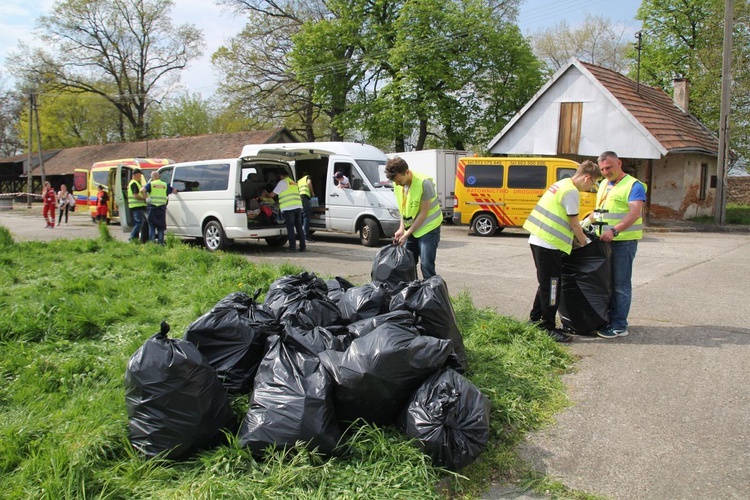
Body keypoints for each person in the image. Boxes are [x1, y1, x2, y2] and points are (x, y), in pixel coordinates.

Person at [523, 160, 601, 343]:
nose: (590, 188)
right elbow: (573, 224)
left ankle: (535, 320)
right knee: (552, 286)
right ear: (587, 177)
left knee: (546, 283)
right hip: (548, 244)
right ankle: (548, 327)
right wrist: (585, 244)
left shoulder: (561, 184)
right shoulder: (571, 191)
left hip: (540, 240)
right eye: (592, 183)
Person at [591, 151, 647, 339]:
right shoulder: (604, 184)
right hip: (603, 241)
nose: (606, 172)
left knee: (620, 284)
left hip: (623, 242)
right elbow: (599, 211)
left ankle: (619, 325)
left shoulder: (634, 185)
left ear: (619, 163)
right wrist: (584, 223)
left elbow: (634, 213)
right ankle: (608, 319)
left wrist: (615, 230)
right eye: (603, 169)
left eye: (609, 167)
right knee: (606, 283)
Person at [385, 157, 442, 279]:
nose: (397, 184)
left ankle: (432, 295)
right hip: (411, 229)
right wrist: (401, 228)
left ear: (406, 172)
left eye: (399, 180)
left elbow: (423, 213)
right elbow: (403, 209)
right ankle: (413, 294)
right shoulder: (398, 183)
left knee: (426, 265)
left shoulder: (424, 183)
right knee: (408, 264)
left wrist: (407, 234)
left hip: (428, 228)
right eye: (395, 182)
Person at [271, 171, 306, 252]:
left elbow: (273, 194)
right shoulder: (293, 182)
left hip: (289, 208)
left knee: (290, 228)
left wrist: (265, 195)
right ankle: (303, 247)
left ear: (281, 175)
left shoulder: (282, 182)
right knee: (299, 227)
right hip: (298, 207)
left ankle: (292, 247)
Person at [140, 171, 178, 245]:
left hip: (152, 208)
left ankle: (152, 243)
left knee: (152, 226)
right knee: (161, 226)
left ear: (152, 177)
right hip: (161, 208)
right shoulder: (164, 185)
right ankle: (160, 243)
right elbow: (174, 191)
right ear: (159, 176)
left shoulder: (151, 184)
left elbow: (142, 190)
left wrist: (146, 197)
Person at [127, 169, 148, 243]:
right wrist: (144, 198)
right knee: (139, 222)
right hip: (136, 207)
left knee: (137, 223)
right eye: (140, 174)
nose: (140, 176)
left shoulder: (135, 183)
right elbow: (135, 196)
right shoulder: (134, 183)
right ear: (136, 174)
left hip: (136, 206)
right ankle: (131, 238)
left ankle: (135, 239)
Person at [297, 170, 316, 242]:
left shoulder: (299, 181)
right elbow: (309, 183)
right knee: (306, 217)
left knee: (301, 217)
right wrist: (312, 192)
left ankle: (301, 235)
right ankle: (306, 236)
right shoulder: (307, 177)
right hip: (305, 197)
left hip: (299, 198)